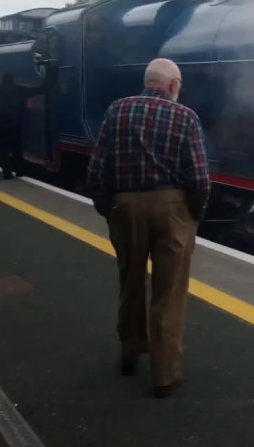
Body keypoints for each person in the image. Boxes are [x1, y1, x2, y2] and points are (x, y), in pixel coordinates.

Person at [86, 58, 210, 398]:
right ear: (173, 85)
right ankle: (164, 375)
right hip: (172, 208)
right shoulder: (185, 116)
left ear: (147, 81)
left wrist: (108, 209)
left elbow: (97, 168)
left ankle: (130, 351)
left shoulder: (116, 110)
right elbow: (199, 177)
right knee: (169, 292)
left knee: (130, 281)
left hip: (125, 206)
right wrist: (195, 215)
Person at [0, 72, 47, 179]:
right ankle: (19, 170)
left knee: (3, 150)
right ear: (13, 79)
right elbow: (38, 90)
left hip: (0, 125)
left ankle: (7, 173)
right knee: (17, 149)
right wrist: (49, 77)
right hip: (15, 125)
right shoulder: (19, 89)